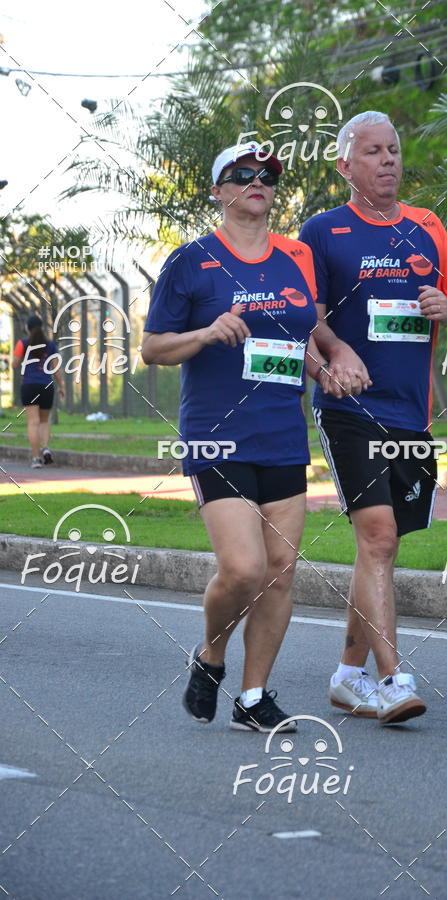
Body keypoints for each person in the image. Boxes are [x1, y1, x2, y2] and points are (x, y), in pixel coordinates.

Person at [142, 141, 343, 733]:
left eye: (268, 175)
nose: (259, 181)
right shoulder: (191, 261)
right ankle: (210, 656)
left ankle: (253, 698)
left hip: (283, 432)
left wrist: (321, 364)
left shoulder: (298, 257)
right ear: (219, 190)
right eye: (243, 174)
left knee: (281, 569)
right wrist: (205, 333)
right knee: (244, 569)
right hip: (217, 437)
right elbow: (153, 348)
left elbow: (300, 334)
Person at [299, 110, 447, 725]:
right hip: (350, 408)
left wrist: (446, 307)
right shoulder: (322, 231)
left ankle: (347, 676)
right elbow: (305, 316)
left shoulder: (427, 226)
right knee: (376, 537)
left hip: (411, 414)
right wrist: (336, 352)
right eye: (373, 152)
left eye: (394, 150)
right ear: (345, 165)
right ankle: (392, 680)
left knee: (383, 546)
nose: (388, 161)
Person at [12, 314, 65, 468]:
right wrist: (62, 386)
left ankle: (36, 459)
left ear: (28, 328)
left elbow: (15, 364)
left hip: (29, 385)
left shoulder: (22, 343)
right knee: (43, 421)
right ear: (41, 327)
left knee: (32, 422)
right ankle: (46, 448)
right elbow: (56, 369)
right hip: (46, 386)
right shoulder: (50, 345)